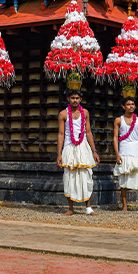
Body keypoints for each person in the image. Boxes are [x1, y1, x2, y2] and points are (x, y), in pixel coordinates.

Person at [56, 88, 99, 216]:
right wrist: (59, 154)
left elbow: (88, 131)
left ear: (80, 99)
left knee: (86, 175)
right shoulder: (63, 114)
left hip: (83, 146)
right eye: (72, 98)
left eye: (77, 98)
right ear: (68, 99)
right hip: (69, 147)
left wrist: (94, 151)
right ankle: (71, 208)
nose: (75, 100)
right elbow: (61, 134)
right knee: (69, 176)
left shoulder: (85, 112)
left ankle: (88, 207)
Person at [112, 97, 138, 213]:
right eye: (128, 104)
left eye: (133, 104)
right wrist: (117, 154)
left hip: (136, 150)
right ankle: (124, 205)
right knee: (123, 179)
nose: (131, 106)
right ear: (123, 107)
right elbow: (115, 137)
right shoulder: (118, 120)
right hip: (124, 149)